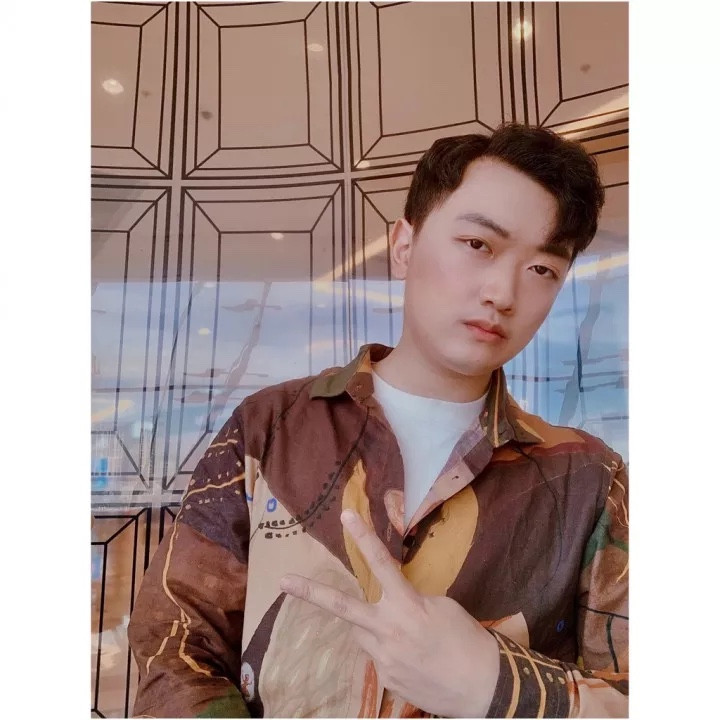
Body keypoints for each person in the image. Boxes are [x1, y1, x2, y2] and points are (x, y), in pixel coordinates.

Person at [127, 124, 628, 718]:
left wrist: (493, 682)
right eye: (478, 244)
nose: (503, 292)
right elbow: (175, 645)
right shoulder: (269, 428)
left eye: (543, 269)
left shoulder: (588, 479)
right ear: (404, 246)